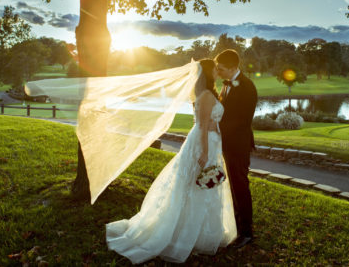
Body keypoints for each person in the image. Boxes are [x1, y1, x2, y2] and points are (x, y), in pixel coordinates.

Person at [105, 59, 237, 264]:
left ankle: (201, 231)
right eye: (214, 70)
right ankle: (186, 235)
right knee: (198, 185)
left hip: (210, 141)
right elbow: (202, 126)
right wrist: (204, 151)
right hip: (205, 143)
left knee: (201, 185)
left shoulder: (204, 93)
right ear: (207, 73)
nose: (217, 72)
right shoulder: (207, 96)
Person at [215, 49, 258, 249]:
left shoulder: (247, 87)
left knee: (240, 186)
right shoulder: (226, 85)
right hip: (227, 144)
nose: (218, 71)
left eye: (221, 68)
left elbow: (241, 121)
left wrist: (215, 129)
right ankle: (237, 224)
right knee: (231, 185)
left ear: (233, 67)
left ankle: (247, 232)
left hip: (238, 145)